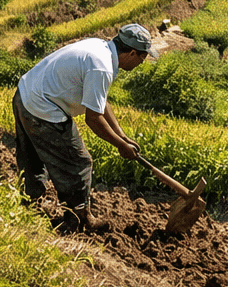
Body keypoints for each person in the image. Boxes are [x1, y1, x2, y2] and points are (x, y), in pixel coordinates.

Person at [13, 23, 156, 232]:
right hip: (43, 110)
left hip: (24, 95)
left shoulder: (100, 48)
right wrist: (120, 146)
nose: (141, 63)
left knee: (32, 157)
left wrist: (122, 136)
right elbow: (93, 118)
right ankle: (78, 218)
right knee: (79, 163)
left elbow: (100, 100)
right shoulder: (102, 67)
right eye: (142, 58)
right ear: (132, 53)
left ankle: (29, 206)